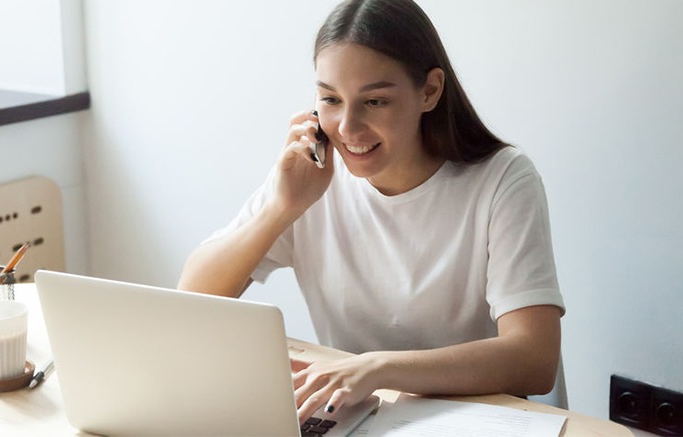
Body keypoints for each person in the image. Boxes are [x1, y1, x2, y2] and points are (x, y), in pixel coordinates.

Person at [178, 0, 565, 424]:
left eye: (375, 102)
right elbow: (193, 300)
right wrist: (280, 208)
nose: (346, 128)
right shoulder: (308, 179)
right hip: (361, 418)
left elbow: (534, 357)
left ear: (430, 91)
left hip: (477, 418)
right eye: (330, 99)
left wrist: (377, 368)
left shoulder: (502, 180)